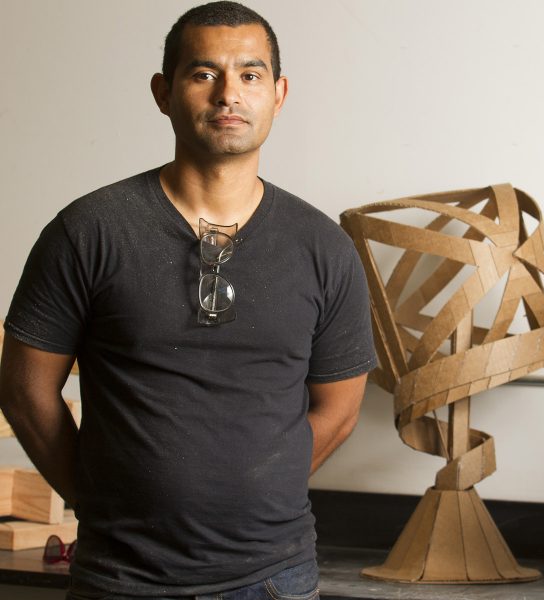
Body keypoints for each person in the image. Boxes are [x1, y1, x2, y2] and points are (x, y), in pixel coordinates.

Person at [0, 2, 376, 598]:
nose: (229, 94)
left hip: (273, 579)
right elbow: (24, 390)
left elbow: (340, 409)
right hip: (119, 579)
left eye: (250, 75)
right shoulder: (89, 231)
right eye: (204, 74)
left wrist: (259, 492)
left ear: (278, 94)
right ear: (163, 92)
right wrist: (94, 496)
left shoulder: (323, 247)